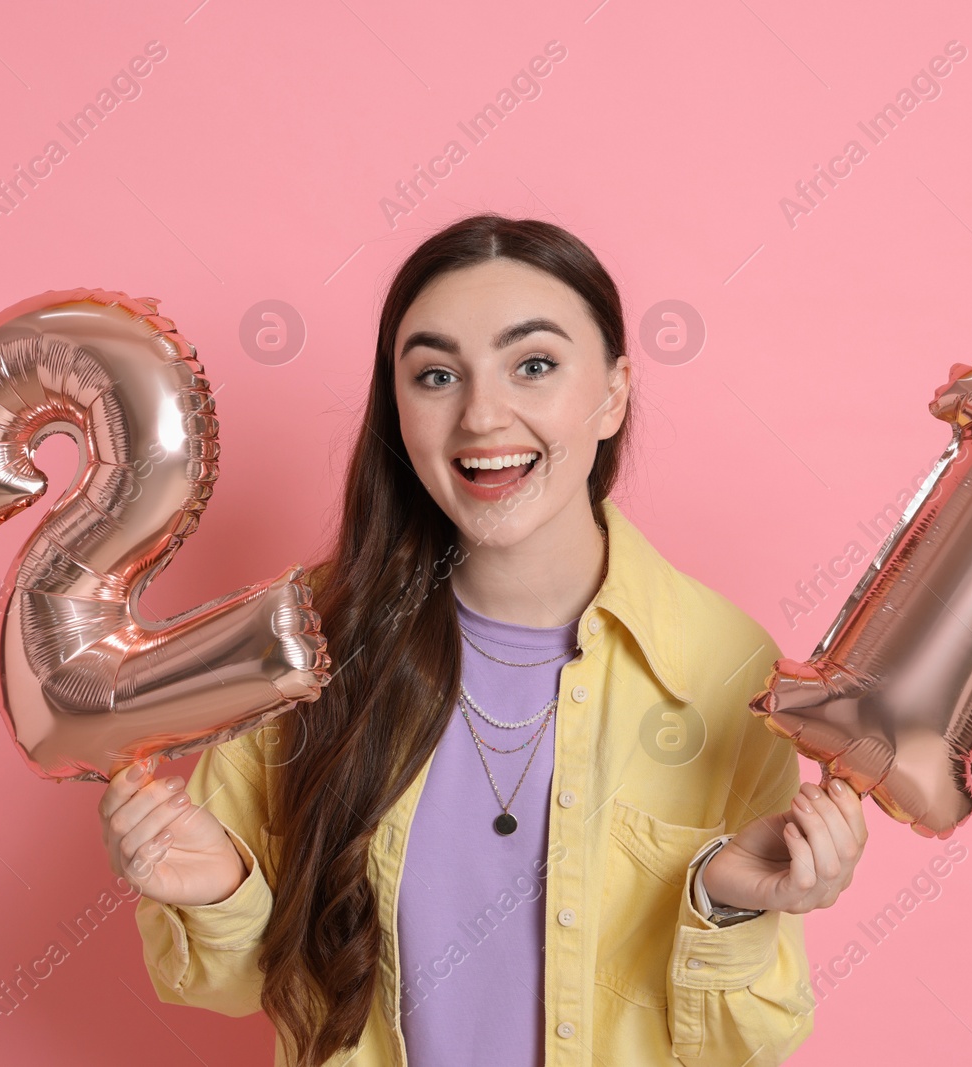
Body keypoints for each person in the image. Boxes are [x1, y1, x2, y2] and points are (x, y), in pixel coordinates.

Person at [98, 213, 868, 1066]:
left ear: (612, 392)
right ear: (397, 404)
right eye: (435, 375)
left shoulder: (721, 666)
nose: (482, 415)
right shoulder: (303, 642)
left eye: (533, 364)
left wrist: (731, 907)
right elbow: (233, 984)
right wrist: (222, 890)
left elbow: (747, 1042)